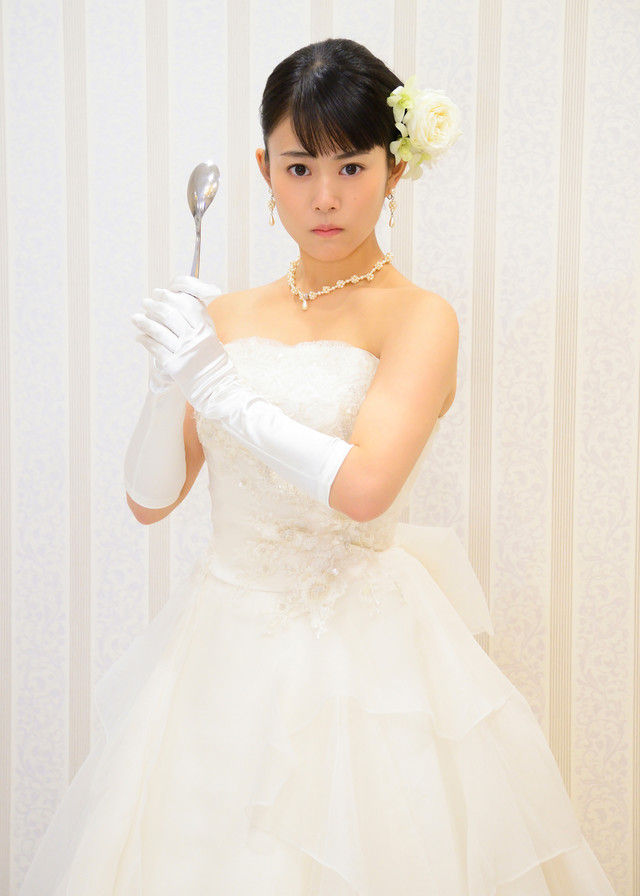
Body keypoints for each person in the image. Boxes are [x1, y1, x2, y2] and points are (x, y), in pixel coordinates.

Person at [20, 37, 616, 896]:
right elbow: (149, 500)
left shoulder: (418, 317)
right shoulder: (226, 315)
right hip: (216, 651)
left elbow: (365, 489)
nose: (325, 197)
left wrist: (219, 390)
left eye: (351, 167)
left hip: (363, 661)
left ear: (394, 169)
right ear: (262, 169)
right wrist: (164, 386)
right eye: (299, 168)